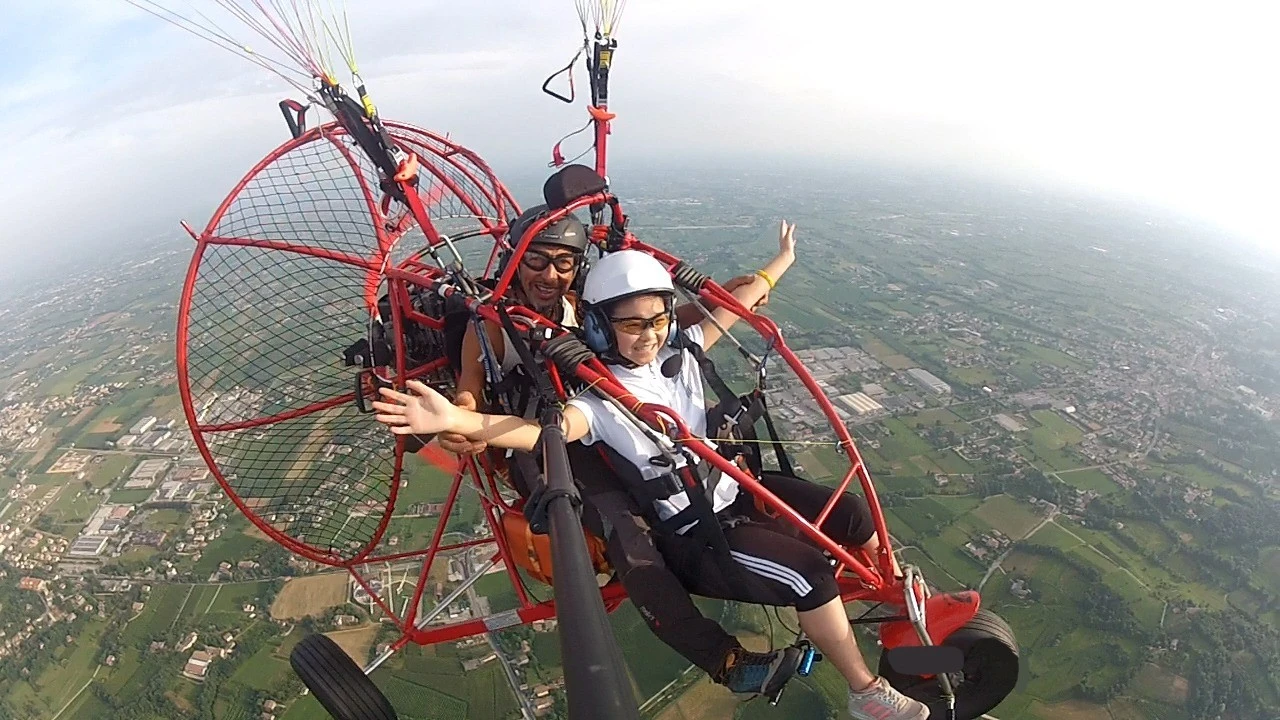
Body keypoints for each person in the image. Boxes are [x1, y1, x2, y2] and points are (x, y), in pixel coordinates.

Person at [376, 224, 930, 720]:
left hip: (731, 492)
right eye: (631, 324)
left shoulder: (680, 353)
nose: (648, 334)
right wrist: (460, 418)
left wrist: (779, 263)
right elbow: (545, 432)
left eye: (658, 320)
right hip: (696, 530)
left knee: (852, 514)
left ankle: (892, 588)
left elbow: (732, 309)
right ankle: (865, 692)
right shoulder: (599, 397)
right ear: (600, 327)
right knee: (809, 572)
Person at [440, 207, 802, 697]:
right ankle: (724, 659)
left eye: (564, 263)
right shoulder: (493, 325)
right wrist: (460, 419)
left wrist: (762, 277)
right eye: (538, 262)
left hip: (612, 423)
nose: (550, 275)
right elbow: (471, 387)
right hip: (547, 442)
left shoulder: (584, 310)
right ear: (514, 261)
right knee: (626, 533)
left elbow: (683, 323)